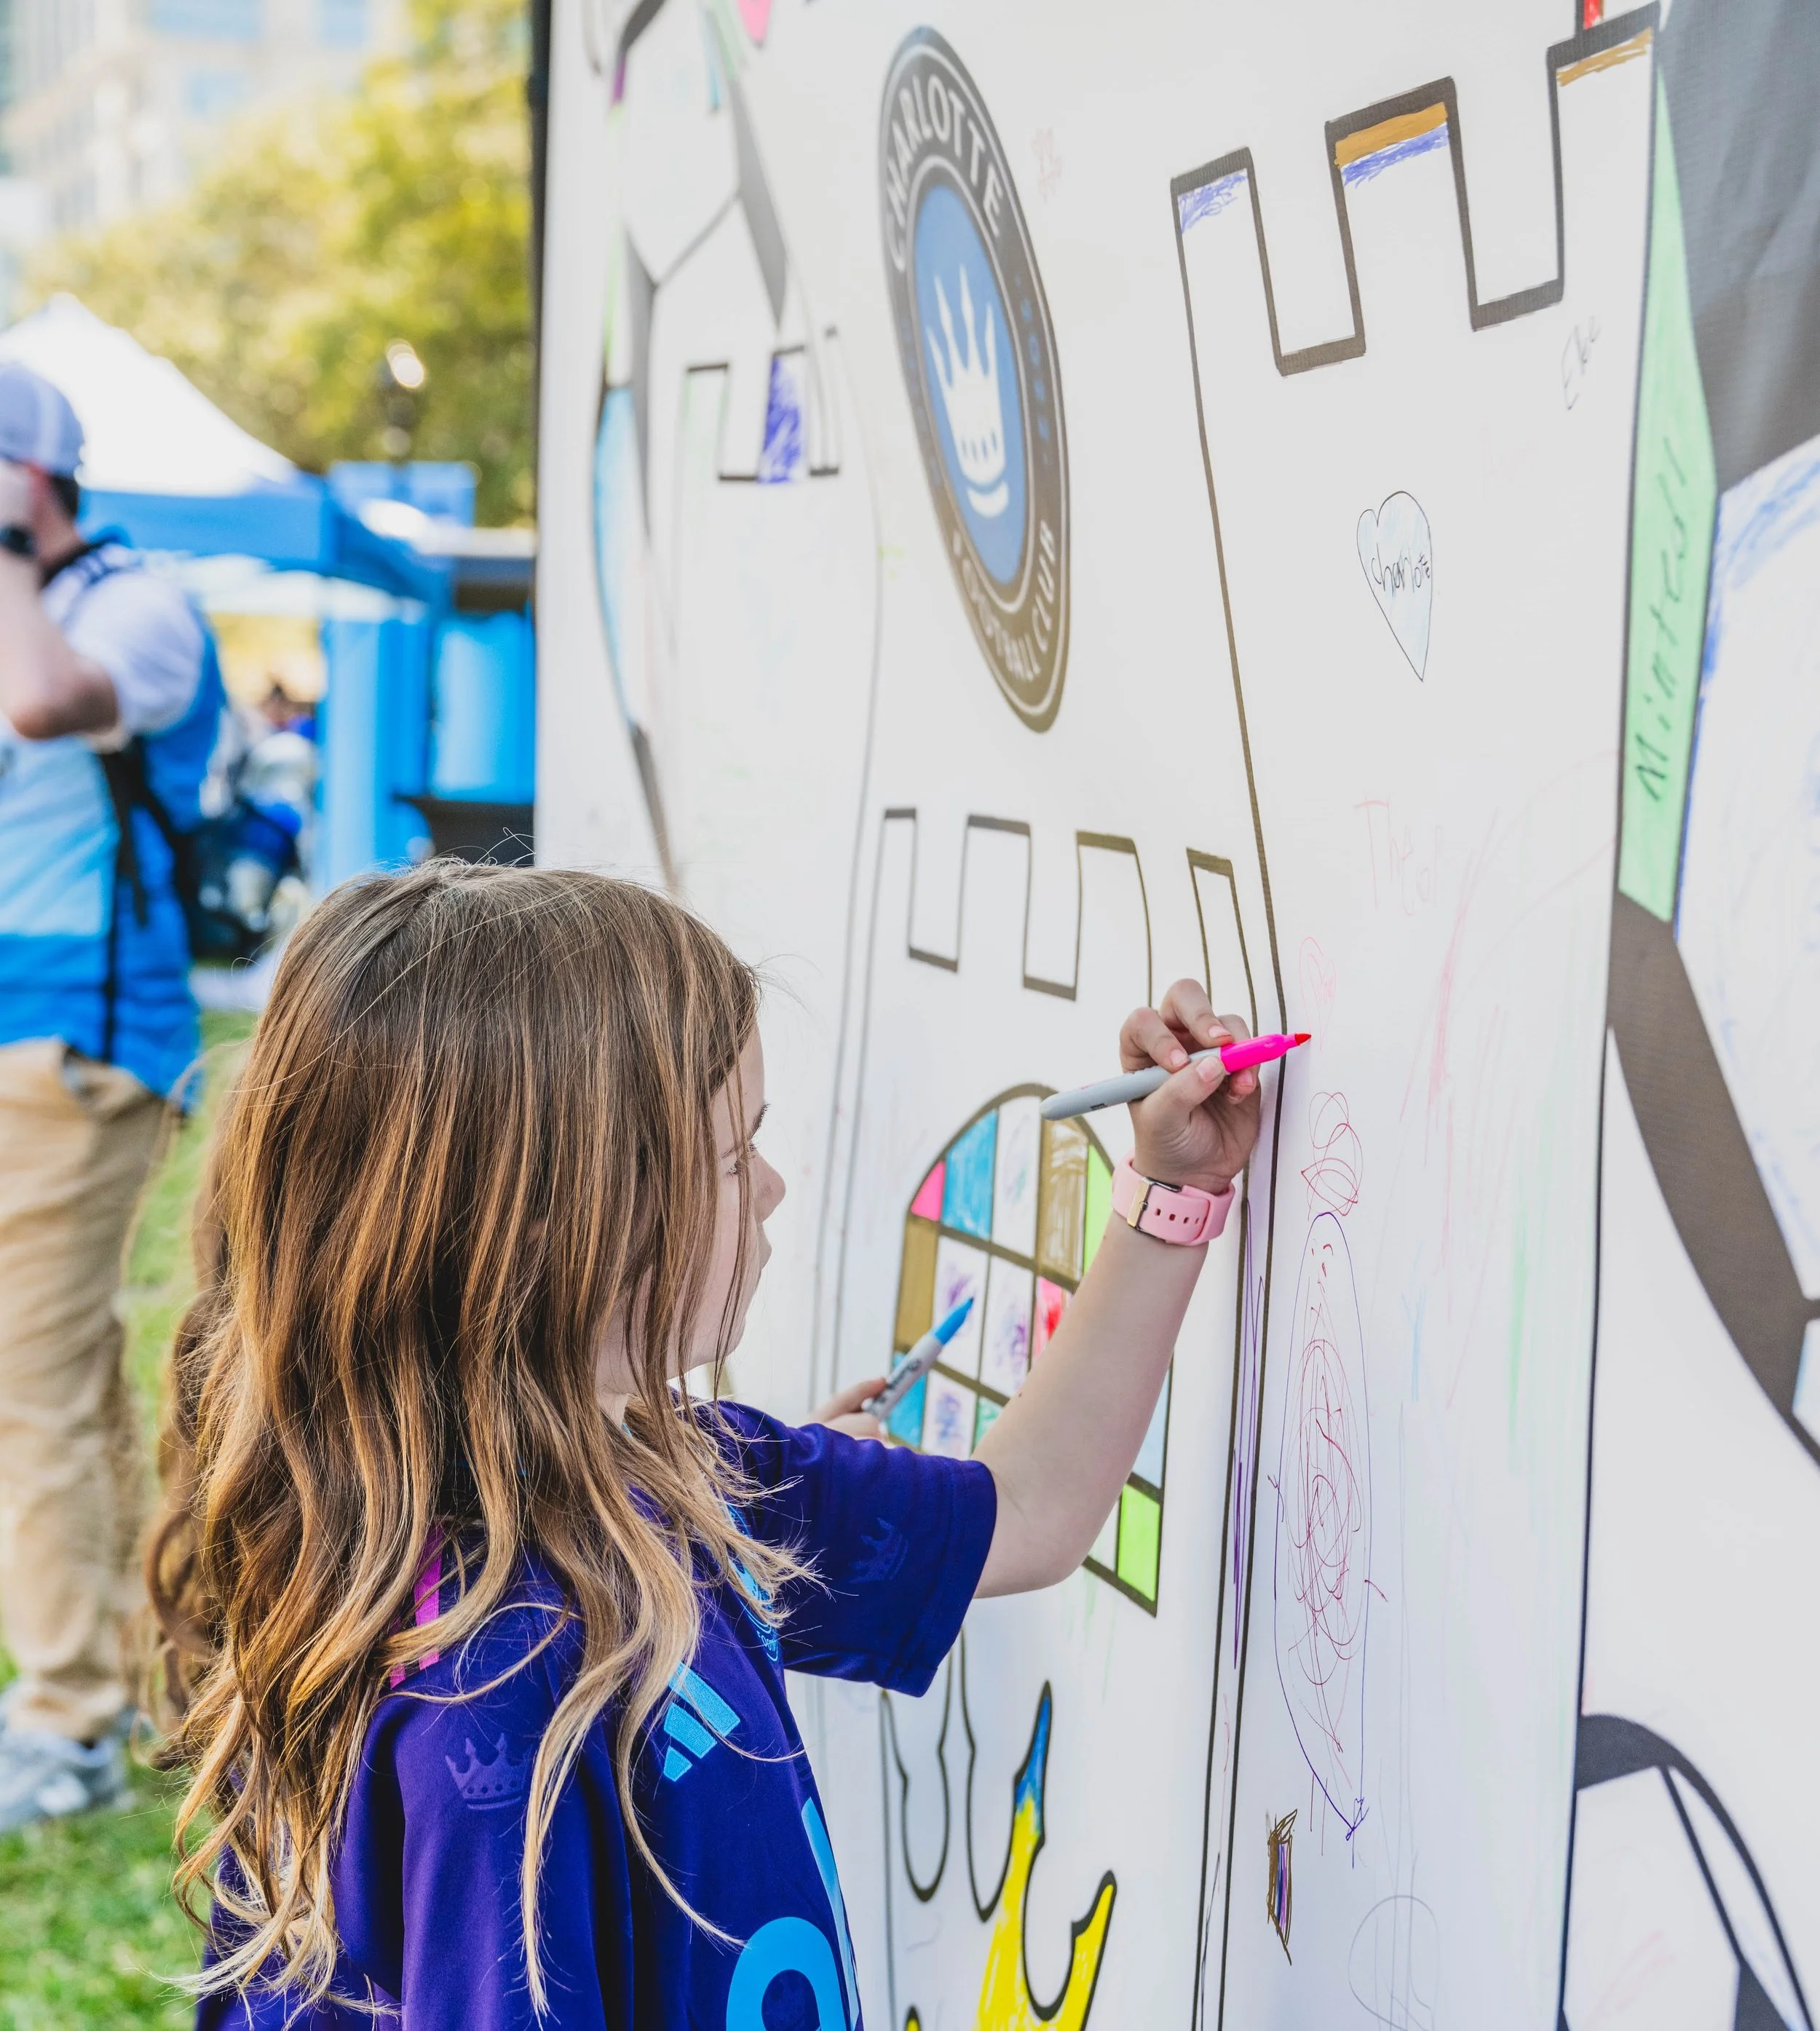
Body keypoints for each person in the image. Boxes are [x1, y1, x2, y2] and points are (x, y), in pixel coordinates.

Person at [154, 860, 1261, 2029]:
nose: (775, 1187)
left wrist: (1172, 1187)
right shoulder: (491, 1705)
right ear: (551, 1221)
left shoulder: (683, 1480)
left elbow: (1028, 1507)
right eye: (734, 1156)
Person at [0, 361, 223, 1830]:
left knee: (25, 1390)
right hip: (25, 1031)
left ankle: (69, 1722)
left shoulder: (134, 604)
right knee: (61, 1382)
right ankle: (163, 1674)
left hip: (81, 1049)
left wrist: (11, 549)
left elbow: (46, 706)